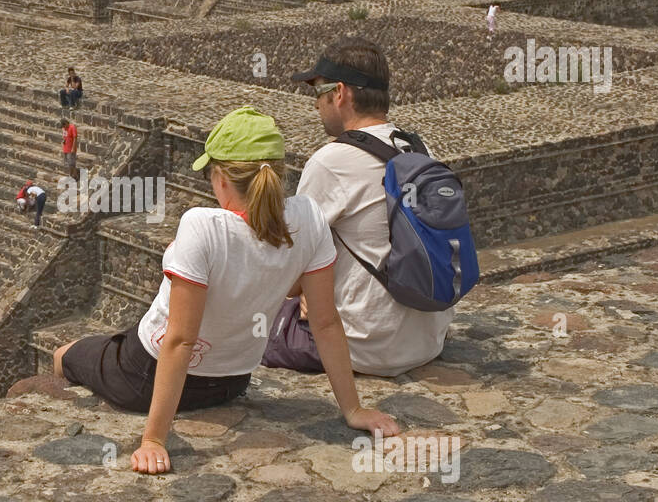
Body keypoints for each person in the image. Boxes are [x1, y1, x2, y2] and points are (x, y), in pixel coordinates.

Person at [54, 107, 401, 474]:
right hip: (230, 382)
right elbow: (326, 322)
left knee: (65, 353)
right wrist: (352, 409)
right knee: (115, 339)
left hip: (144, 373)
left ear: (220, 178)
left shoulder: (201, 226)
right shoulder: (310, 218)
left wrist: (153, 439)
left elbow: (180, 341)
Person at [262, 38, 456, 377]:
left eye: (318, 93)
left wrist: (306, 291)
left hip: (363, 345)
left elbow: (289, 269)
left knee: (246, 319)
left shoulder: (331, 162)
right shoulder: (419, 149)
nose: (316, 105)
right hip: (427, 338)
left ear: (340, 93)